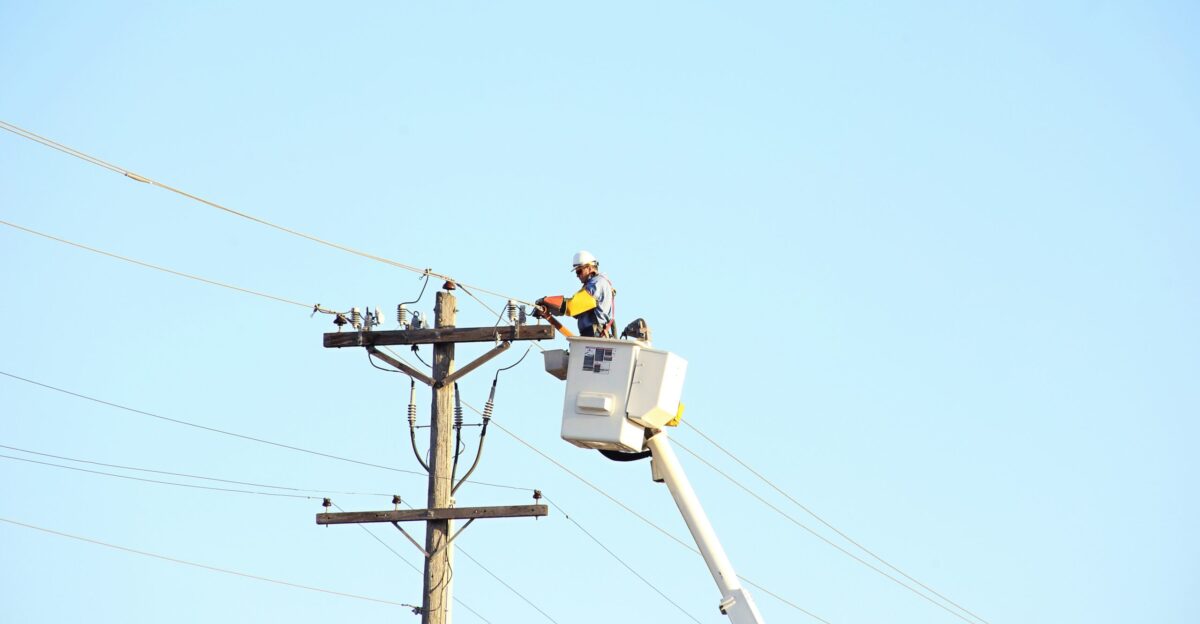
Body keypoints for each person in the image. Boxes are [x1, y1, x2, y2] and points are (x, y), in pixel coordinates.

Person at [536, 250, 616, 337]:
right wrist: (549, 308)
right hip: (591, 335)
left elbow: (572, 306)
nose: (577, 275)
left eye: (579, 271)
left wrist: (546, 300)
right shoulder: (594, 284)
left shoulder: (597, 283)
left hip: (595, 335)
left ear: (589, 268)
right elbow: (575, 312)